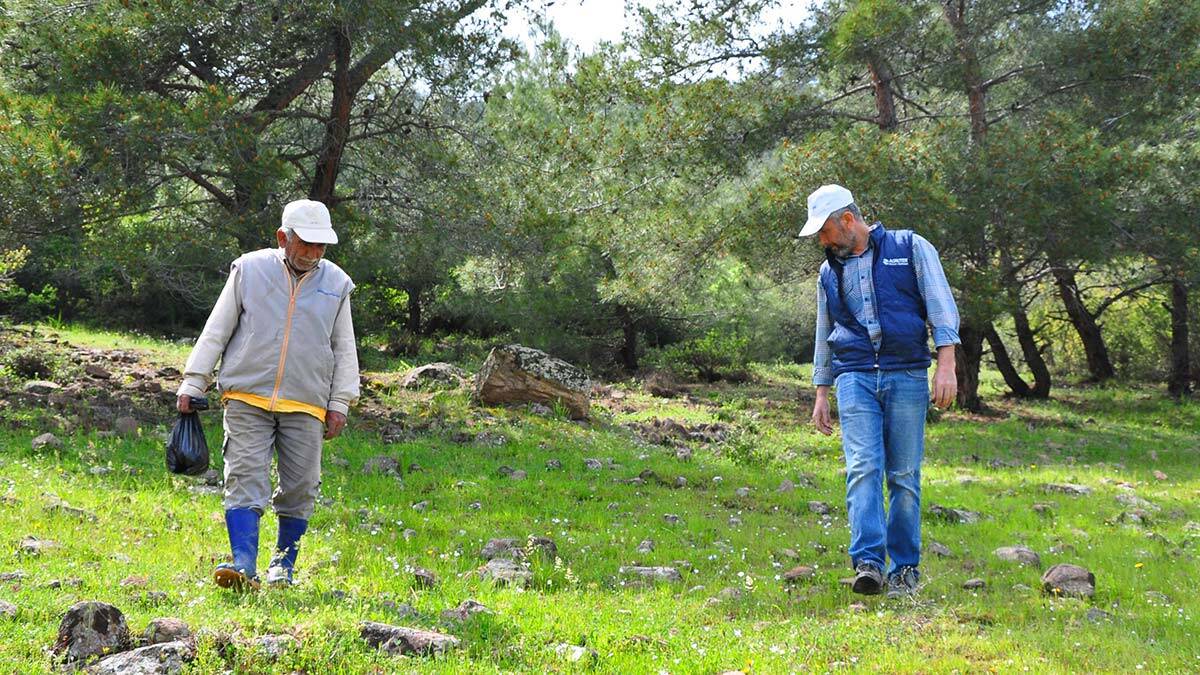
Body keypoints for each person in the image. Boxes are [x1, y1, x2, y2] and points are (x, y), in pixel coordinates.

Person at [176, 199, 359, 590]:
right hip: (246, 395)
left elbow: (344, 348)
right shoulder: (250, 269)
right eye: (305, 243)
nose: (313, 253)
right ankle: (244, 565)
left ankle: (283, 566)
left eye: (320, 246)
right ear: (283, 237)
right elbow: (217, 328)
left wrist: (340, 402)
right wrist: (194, 381)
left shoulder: (337, 284)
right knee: (243, 476)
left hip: (308, 401)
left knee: (300, 486)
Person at [801, 184, 959, 598]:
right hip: (853, 377)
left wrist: (946, 365)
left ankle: (905, 569)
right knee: (862, 467)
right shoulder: (826, 272)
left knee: (904, 475)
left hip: (906, 373)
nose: (822, 240)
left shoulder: (910, 248)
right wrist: (821, 390)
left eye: (825, 231)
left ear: (848, 220)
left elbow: (941, 306)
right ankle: (869, 562)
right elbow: (824, 332)